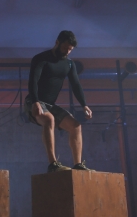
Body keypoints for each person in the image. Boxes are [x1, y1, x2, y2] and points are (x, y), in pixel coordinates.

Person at [25, 30, 94, 173]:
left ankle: (78, 165)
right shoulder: (41, 58)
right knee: (48, 119)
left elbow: (76, 84)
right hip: (34, 101)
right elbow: (33, 80)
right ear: (57, 42)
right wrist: (35, 101)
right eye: (65, 48)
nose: (67, 52)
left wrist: (84, 105)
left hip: (50, 105)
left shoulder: (69, 64)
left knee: (75, 125)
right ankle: (53, 164)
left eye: (70, 49)